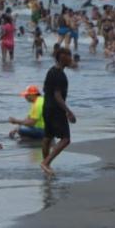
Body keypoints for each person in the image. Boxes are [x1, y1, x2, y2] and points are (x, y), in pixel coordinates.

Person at [40, 47, 76, 176]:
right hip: (56, 109)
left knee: (48, 136)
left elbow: (47, 91)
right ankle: (46, 162)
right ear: (62, 57)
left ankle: (46, 163)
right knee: (65, 139)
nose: (71, 59)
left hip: (47, 107)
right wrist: (68, 111)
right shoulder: (59, 74)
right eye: (69, 56)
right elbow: (57, 95)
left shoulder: (51, 71)